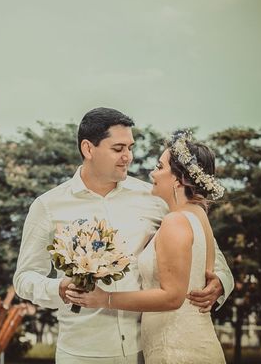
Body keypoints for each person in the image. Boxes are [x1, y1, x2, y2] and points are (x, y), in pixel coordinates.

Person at [13, 108, 233, 363]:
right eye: (118, 149)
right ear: (88, 149)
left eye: (130, 147)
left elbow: (207, 249)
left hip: (146, 350)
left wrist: (222, 283)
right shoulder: (48, 206)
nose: (127, 157)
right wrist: (58, 289)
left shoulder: (153, 198)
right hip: (83, 352)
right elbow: (24, 277)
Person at [66, 130, 227, 363]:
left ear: (178, 179)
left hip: (176, 348)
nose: (152, 173)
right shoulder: (199, 216)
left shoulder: (176, 221)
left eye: (159, 167)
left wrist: (104, 299)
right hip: (191, 340)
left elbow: (172, 297)